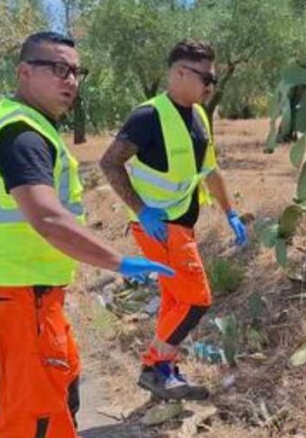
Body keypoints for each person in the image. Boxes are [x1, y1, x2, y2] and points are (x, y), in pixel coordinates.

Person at [0, 31, 175, 438]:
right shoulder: (21, 134)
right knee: (29, 402)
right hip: (20, 288)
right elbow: (47, 216)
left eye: (76, 71)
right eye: (56, 68)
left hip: (31, 286)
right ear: (24, 72)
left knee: (62, 371)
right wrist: (118, 261)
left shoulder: (29, 125)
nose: (70, 80)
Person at [99, 40, 247, 402]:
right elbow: (109, 162)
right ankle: (154, 368)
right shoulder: (148, 116)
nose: (211, 86)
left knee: (175, 300)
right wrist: (141, 209)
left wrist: (230, 212)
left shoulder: (198, 117)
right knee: (196, 300)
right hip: (159, 226)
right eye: (206, 78)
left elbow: (210, 171)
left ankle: (163, 369)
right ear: (180, 72)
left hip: (183, 225)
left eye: (213, 79)